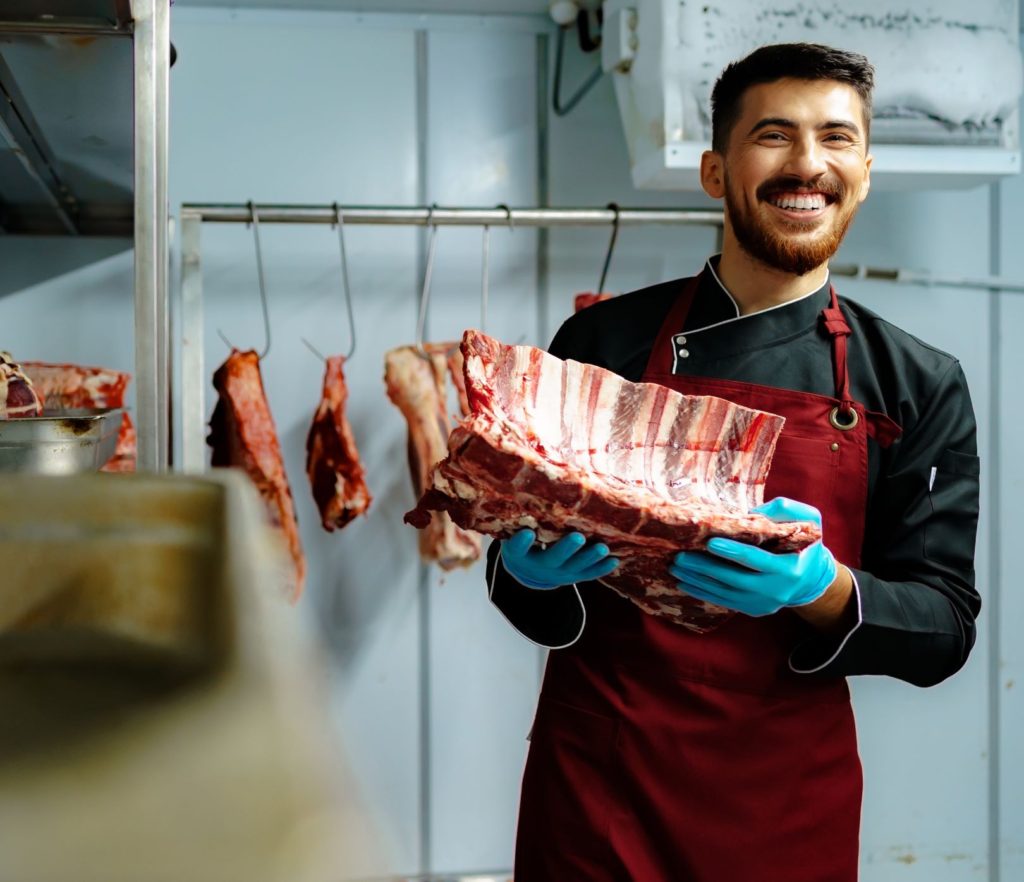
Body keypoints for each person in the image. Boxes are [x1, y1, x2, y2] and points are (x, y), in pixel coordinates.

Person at [484, 42, 981, 882]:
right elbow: (522, 568)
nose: (806, 165)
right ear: (716, 171)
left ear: (863, 171)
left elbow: (945, 626)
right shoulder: (601, 346)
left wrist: (820, 588)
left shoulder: (915, 383)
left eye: (835, 138)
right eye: (775, 135)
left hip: (784, 800)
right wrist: (523, 571)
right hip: (602, 780)